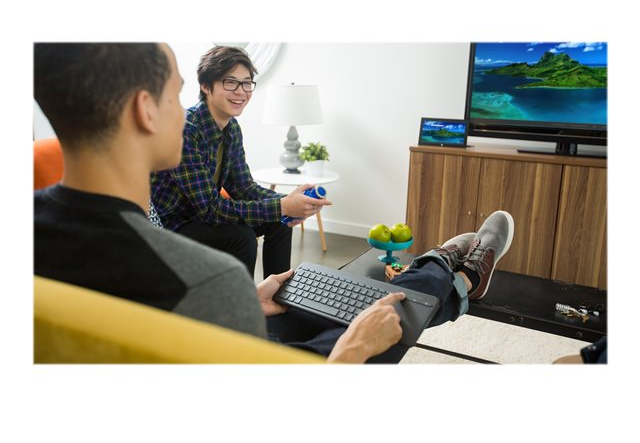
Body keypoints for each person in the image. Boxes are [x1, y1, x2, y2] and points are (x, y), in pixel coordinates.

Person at [33, 43, 514, 363]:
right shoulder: (206, 280)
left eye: (248, 83)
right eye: (175, 94)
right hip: (207, 282)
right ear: (146, 110)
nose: (184, 111)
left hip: (199, 329)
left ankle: (445, 273)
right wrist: (352, 351)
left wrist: (282, 207)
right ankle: (454, 275)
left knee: (308, 302)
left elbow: (243, 187)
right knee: (381, 318)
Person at [150, 46, 330, 279]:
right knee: (242, 236)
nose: (241, 91)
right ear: (205, 86)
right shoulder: (187, 129)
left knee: (279, 222)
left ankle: (277, 293)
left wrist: (289, 202)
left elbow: (244, 188)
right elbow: (211, 210)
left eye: (246, 83)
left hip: (202, 215)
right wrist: (282, 206)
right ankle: (246, 301)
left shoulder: (231, 128)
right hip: (173, 224)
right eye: (230, 82)